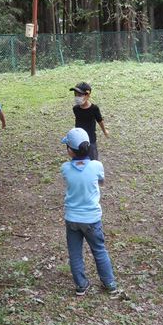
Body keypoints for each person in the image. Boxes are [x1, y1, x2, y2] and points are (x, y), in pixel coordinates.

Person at [60, 127, 117, 297]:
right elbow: (101, 181)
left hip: (72, 218)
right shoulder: (97, 166)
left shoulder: (65, 168)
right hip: (92, 218)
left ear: (70, 150)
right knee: (99, 250)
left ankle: (81, 285)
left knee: (75, 252)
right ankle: (109, 283)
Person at [70, 82, 109, 160]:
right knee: (79, 158)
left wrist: (104, 131)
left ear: (87, 95)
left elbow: (100, 121)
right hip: (79, 139)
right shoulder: (75, 109)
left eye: (80, 95)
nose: (77, 97)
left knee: (93, 158)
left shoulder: (94, 109)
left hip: (90, 139)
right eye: (75, 95)